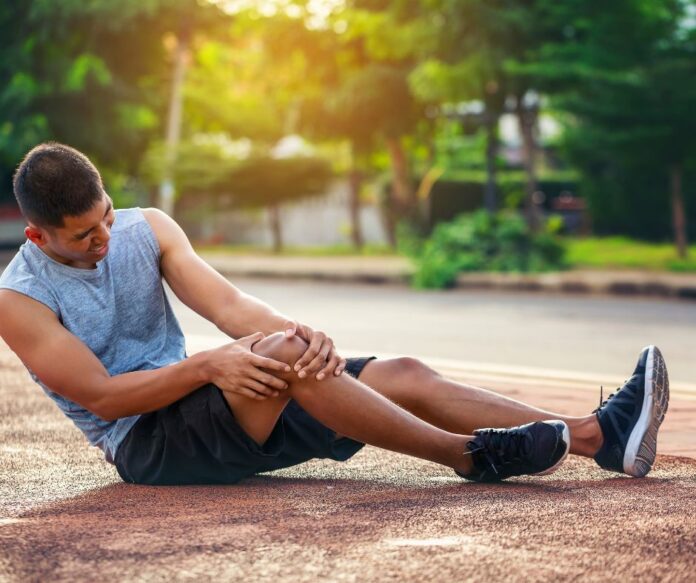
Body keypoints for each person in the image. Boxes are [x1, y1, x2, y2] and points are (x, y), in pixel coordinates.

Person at [0, 143, 670, 485]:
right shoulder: (19, 296)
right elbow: (104, 398)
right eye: (86, 235)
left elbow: (230, 305)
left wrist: (299, 335)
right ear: (40, 235)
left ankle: (597, 438)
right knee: (283, 359)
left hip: (225, 404)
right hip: (151, 444)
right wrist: (210, 365)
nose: (106, 239)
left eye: (108, 216)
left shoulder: (149, 228)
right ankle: (468, 457)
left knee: (399, 370)